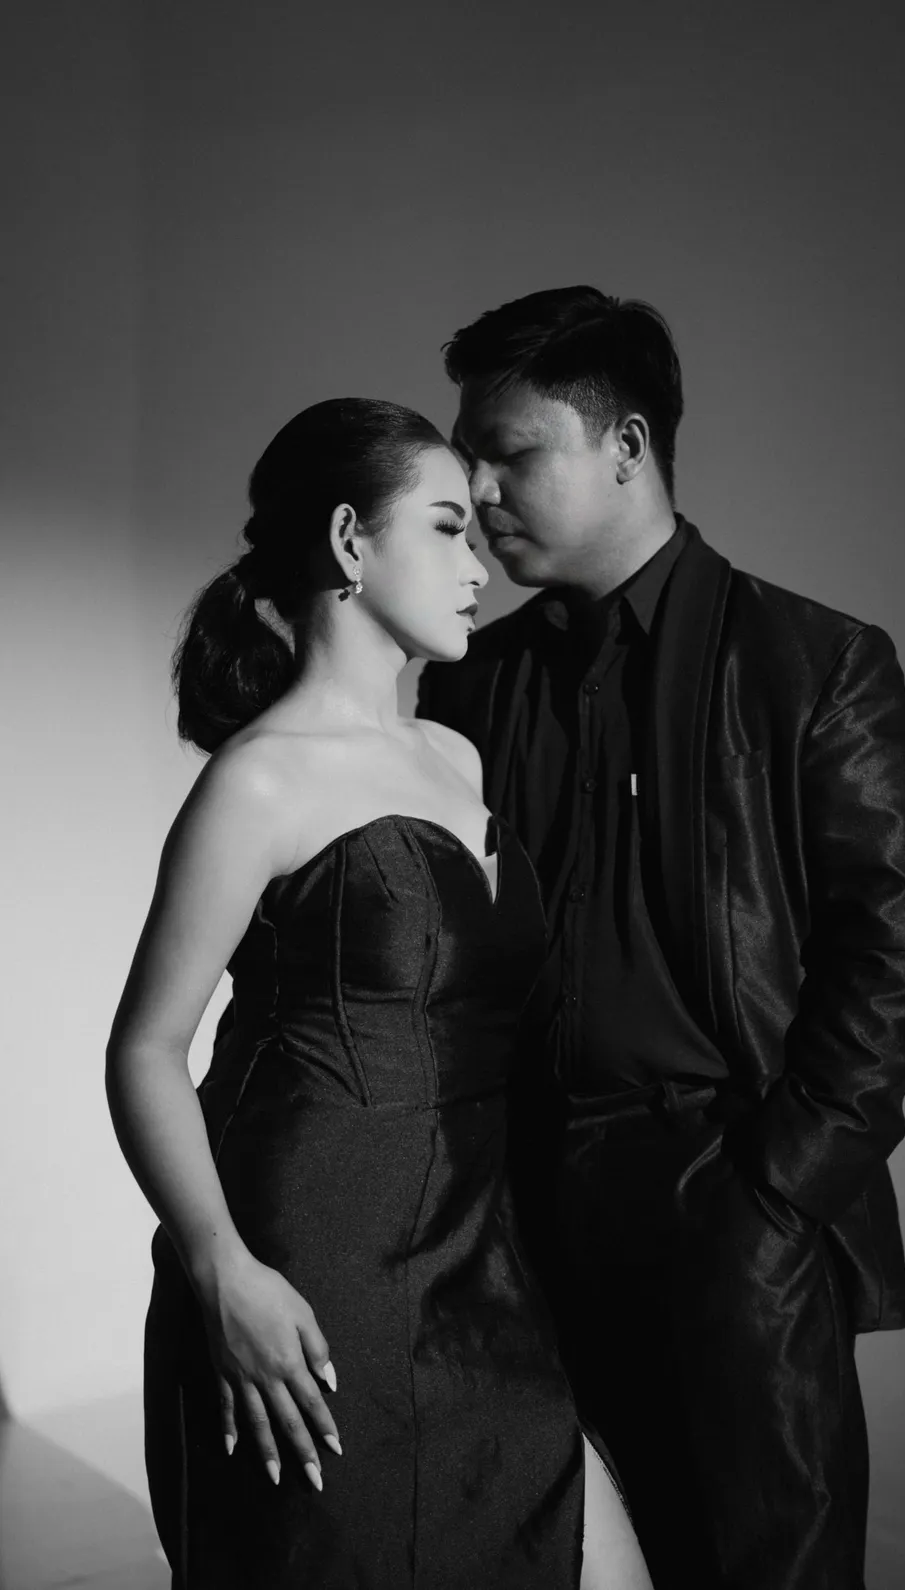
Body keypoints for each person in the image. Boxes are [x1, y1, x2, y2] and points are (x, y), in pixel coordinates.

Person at [416, 287, 905, 1590]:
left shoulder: (811, 662)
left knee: (766, 1563)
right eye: (467, 458)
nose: (478, 491)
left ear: (626, 445)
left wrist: (779, 1188)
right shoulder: (470, 681)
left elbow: (901, 944)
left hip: (728, 1189)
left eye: (511, 453)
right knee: (554, 1561)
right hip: (524, 1210)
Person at [106, 398, 652, 1589]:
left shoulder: (455, 757)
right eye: (448, 528)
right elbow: (145, 1049)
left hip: (480, 1255)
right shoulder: (259, 782)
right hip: (311, 1267)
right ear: (351, 541)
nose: (479, 568)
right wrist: (222, 1271)